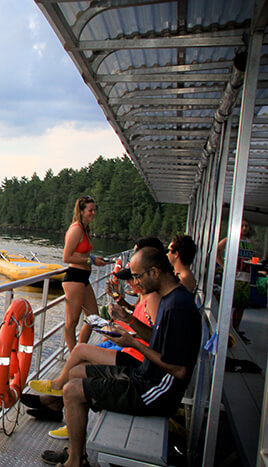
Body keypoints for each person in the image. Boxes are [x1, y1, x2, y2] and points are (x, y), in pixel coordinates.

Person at [39, 247, 201, 467]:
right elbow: (157, 338)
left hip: (156, 391)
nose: (135, 282)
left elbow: (178, 369)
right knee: (76, 372)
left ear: (154, 272)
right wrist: (129, 320)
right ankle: (76, 453)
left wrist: (132, 342)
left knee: (72, 389)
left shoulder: (177, 306)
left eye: (137, 276)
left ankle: (76, 461)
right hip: (146, 376)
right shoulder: (169, 298)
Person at [27, 267, 160, 442]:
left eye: (133, 278)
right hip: (130, 351)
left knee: (81, 351)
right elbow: (141, 325)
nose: (129, 283)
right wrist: (118, 321)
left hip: (136, 358)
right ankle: (60, 408)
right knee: (76, 369)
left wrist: (126, 328)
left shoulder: (153, 299)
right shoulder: (145, 298)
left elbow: (154, 337)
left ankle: (56, 389)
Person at [61, 195, 107, 352]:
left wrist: (93, 258)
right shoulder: (76, 230)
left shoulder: (85, 229)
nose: (93, 213)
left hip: (84, 279)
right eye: (90, 210)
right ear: (81, 211)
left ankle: (80, 349)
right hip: (74, 278)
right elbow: (67, 257)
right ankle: (74, 355)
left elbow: (82, 254)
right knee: (72, 321)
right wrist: (91, 260)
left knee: (94, 317)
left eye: (94, 210)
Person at [217, 219, 253, 340]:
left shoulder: (249, 242)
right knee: (230, 304)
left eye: (246, 226)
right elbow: (216, 251)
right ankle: (225, 329)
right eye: (242, 225)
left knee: (241, 306)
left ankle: (236, 329)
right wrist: (223, 265)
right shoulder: (229, 239)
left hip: (246, 278)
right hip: (234, 278)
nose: (244, 228)